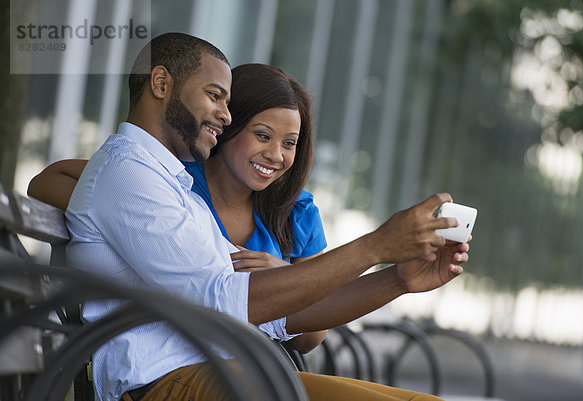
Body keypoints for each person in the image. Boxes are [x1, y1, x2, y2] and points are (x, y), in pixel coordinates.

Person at [29, 32, 468, 401]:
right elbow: (226, 300)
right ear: (160, 83)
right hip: (165, 381)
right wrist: (374, 245)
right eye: (215, 96)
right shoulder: (129, 174)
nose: (224, 114)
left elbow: (282, 316)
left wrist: (397, 278)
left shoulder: (175, 190)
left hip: (229, 372)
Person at [29, 63, 329, 353]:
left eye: (289, 143)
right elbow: (49, 181)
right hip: (184, 361)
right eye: (262, 136)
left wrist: (285, 276)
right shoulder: (175, 181)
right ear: (229, 124)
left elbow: (310, 339)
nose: (275, 155)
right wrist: (138, 217)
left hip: (256, 363)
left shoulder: (297, 211)